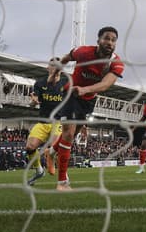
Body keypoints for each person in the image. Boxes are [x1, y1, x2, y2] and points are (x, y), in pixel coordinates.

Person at [51, 26, 124, 191]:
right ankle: (62, 182)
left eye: (113, 40)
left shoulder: (116, 63)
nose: (110, 42)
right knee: (68, 134)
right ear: (98, 40)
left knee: (73, 134)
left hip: (88, 100)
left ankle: (51, 151)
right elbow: (66, 57)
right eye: (107, 38)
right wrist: (56, 72)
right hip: (71, 94)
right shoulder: (84, 52)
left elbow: (105, 84)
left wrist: (84, 90)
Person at [25, 59, 68, 185]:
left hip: (58, 122)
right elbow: (33, 104)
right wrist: (33, 102)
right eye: (52, 65)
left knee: (55, 146)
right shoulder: (40, 83)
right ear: (47, 68)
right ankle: (39, 171)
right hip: (43, 122)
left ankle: (63, 175)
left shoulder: (66, 83)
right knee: (29, 147)